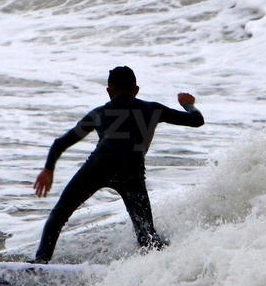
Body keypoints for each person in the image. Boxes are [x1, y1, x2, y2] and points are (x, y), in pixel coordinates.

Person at [32, 66, 204, 262]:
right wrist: (188, 104)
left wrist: (48, 169)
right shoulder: (153, 110)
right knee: (146, 235)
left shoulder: (98, 114)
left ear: (109, 91)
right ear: (136, 90)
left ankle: (40, 262)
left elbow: (60, 143)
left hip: (97, 168)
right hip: (131, 173)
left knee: (59, 215)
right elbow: (196, 120)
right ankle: (167, 266)